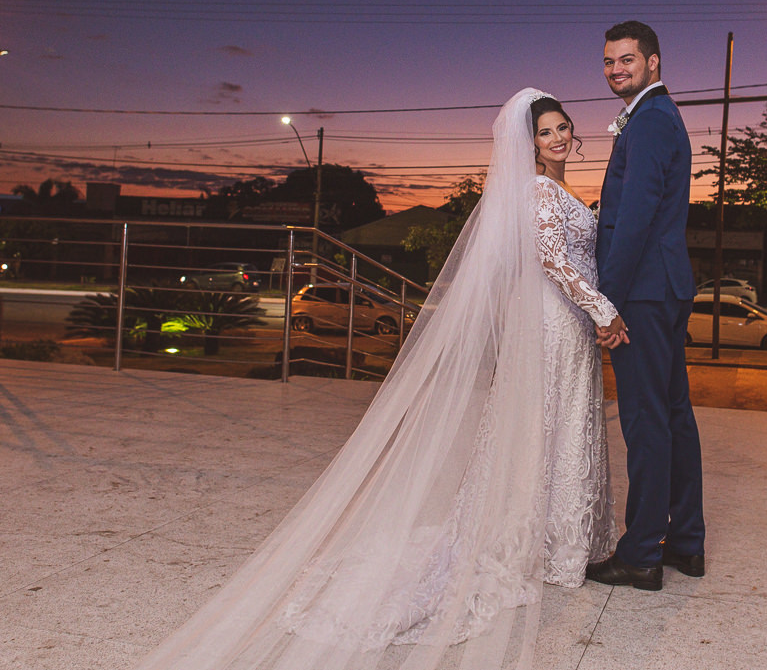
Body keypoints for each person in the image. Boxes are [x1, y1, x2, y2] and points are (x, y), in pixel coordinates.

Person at [130, 88, 620, 670]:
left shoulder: (563, 188)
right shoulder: (538, 191)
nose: (558, 138)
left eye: (563, 127)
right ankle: (548, 547)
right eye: (545, 132)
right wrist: (603, 310)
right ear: (529, 144)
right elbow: (552, 260)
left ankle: (563, 540)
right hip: (554, 321)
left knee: (563, 424)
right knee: (547, 425)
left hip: (568, 322)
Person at [586, 21, 705, 592]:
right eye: (609, 62)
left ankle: (640, 554)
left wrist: (606, 302)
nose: (616, 70)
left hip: (644, 292)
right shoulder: (655, 115)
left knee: (646, 419)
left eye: (627, 60)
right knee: (674, 414)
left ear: (653, 62)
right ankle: (686, 542)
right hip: (664, 286)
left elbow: (634, 218)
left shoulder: (651, 120)